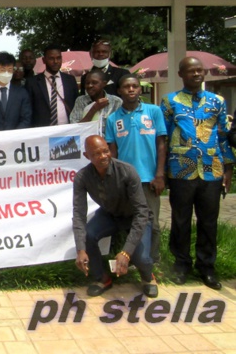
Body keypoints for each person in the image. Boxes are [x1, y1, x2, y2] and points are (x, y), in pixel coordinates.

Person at [160, 56, 234, 290]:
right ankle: (181, 265)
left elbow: (223, 136)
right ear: (181, 74)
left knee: (208, 222)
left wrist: (228, 169)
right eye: (191, 71)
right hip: (181, 170)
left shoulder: (217, 101)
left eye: (200, 71)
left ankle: (207, 267)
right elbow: (163, 137)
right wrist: (162, 172)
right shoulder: (170, 102)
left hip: (212, 170)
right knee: (180, 220)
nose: (197, 74)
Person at [73, 135, 157, 298]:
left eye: (106, 151)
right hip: (110, 215)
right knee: (89, 235)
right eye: (97, 154)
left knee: (141, 258)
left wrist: (126, 252)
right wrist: (81, 249)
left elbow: (142, 212)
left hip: (136, 217)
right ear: (87, 156)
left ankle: (148, 277)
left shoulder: (127, 171)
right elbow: (78, 213)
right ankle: (102, 278)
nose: (103, 156)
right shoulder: (82, 177)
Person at [106, 74, 166, 263]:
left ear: (140, 89)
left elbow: (161, 144)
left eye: (134, 86)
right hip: (125, 180)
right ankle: (130, 260)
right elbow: (112, 151)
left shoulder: (154, 111)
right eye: (126, 87)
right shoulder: (113, 119)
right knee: (130, 222)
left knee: (153, 223)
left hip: (149, 178)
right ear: (119, 91)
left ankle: (152, 261)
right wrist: (114, 180)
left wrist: (159, 175)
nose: (131, 89)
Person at [26, 45, 79, 127]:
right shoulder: (32, 82)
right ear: (44, 60)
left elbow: (76, 104)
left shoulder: (70, 80)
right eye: (51, 58)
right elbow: (28, 109)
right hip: (43, 131)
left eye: (58, 58)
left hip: (67, 129)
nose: (56, 61)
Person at [69, 69, 122, 134]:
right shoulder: (81, 100)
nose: (90, 86)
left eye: (94, 83)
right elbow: (75, 128)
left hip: (109, 142)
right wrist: (94, 109)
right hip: (86, 141)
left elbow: (121, 127)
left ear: (104, 84)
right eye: (87, 83)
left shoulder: (116, 101)